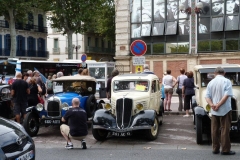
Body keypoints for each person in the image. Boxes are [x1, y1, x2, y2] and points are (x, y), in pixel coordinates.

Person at [205, 67, 235, 155]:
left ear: (215, 73)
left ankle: (215, 148)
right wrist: (219, 105)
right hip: (225, 109)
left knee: (214, 130)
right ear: (224, 73)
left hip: (214, 110)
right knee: (225, 129)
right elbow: (226, 95)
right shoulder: (227, 81)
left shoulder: (211, 82)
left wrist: (212, 105)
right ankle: (225, 149)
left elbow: (207, 96)